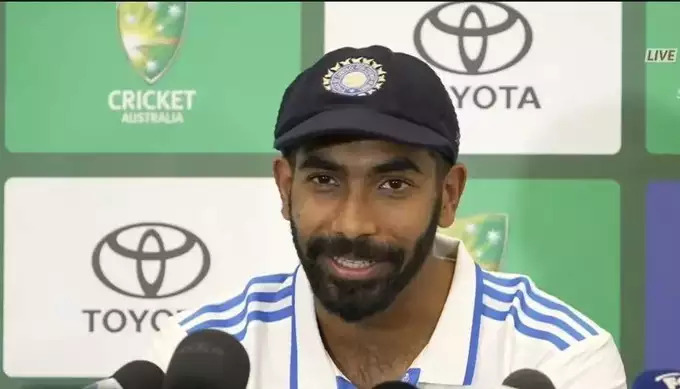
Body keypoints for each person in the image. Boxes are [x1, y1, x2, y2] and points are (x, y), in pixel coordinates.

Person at [147, 45, 627, 389]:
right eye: (324, 181)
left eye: (393, 185)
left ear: (449, 195)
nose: (353, 224)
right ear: (285, 187)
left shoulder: (560, 363)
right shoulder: (198, 358)